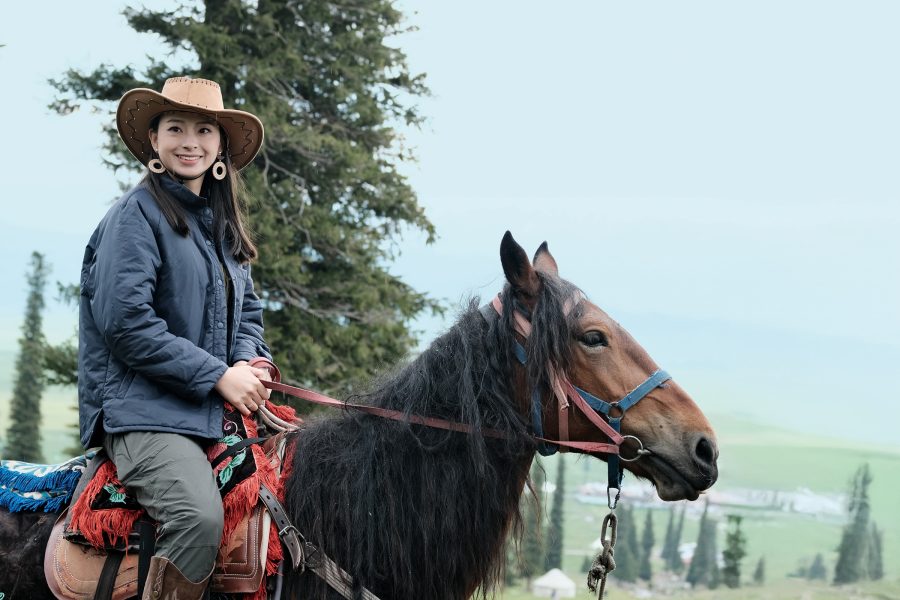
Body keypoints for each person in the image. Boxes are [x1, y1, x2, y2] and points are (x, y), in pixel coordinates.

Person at [78, 76, 273, 599]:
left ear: (220, 147)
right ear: (156, 142)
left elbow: (247, 312)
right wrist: (217, 376)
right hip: (141, 411)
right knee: (199, 519)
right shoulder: (133, 217)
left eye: (204, 129)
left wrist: (250, 364)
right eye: (176, 128)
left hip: (209, 406)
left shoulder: (221, 224)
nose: (191, 140)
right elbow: (127, 324)